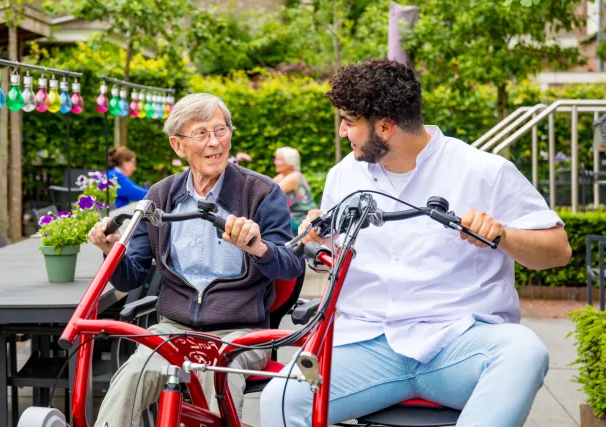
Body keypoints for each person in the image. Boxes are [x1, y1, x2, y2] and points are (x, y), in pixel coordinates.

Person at [260, 58, 572, 426]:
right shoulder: (343, 175)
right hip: (365, 344)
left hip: (457, 342)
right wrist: (318, 235)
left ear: (386, 127)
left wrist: (501, 234)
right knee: (282, 397)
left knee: (525, 352)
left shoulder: (483, 170)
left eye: (349, 121)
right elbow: (328, 251)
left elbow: (559, 251)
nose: (343, 131)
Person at [88, 93, 303, 427]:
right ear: (178, 146)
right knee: (131, 376)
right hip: (173, 329)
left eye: (221, 130)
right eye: (201, 133)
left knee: (212, 378)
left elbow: (290, 264)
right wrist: (111, 249)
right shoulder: (160, 197)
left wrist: (258, 247)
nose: (214, 142)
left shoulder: (260, 192)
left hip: (239, 333)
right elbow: (131, 278)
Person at [272, 147, 318, 233]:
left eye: (280, 160)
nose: (275, 162)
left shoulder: (294, 177)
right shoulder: (283, 175)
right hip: (293, 215)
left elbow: (269, 193)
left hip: (303, 218)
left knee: (270, 222)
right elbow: (264, 186)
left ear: (290, 163)